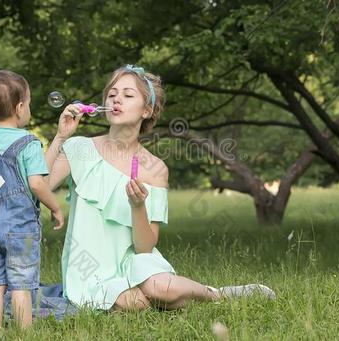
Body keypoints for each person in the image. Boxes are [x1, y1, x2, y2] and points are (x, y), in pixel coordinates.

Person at [43, 65, 275, 312]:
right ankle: (174, 298)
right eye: (112, 94)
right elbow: (40, 187)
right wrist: (60, 137)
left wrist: (138, 206)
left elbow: (145, 247)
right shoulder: (80, 148)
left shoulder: (155, 169)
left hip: (135, 262)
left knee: (160, 289)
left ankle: (217, 295)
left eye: (128, 95)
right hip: (88, 267)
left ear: (147, 110)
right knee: (136, 303)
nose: (116, 99)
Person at [0, 70, 64, 332]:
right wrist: (55, 207)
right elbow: (37, 184)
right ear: (20, 108)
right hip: (21, 232)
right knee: (21, 286)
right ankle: (24, 335)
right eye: (28, 104)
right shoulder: (29, 143)